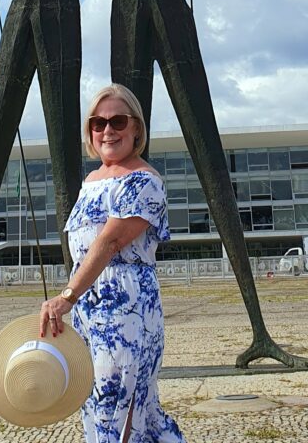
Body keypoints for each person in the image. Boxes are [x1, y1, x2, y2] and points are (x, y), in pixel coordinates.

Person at [39, 83, 185, 442]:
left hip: (127, 306)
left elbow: (110, 241)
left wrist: (67, 296)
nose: (108, 130)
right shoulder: (90, 181)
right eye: (98, 123)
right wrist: (75, 298)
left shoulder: (144, 181)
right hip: (90, 306)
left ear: (136, 127)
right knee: (94, 403)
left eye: (118, 121)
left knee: (120, 405)